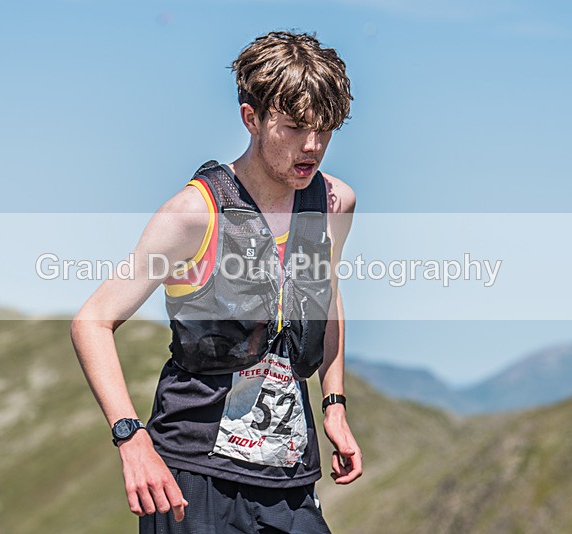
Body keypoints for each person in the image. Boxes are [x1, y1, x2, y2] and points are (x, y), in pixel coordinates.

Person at [71, 30, 361, 533]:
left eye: (325, 129)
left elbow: (326, 296)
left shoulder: (335, 203)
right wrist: (130, 438)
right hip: (192, 479)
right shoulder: (192, 214)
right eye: (293, 127)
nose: (312, 146)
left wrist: (333, 403)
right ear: (252, 118)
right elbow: (92, 321)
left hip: (289, 477)